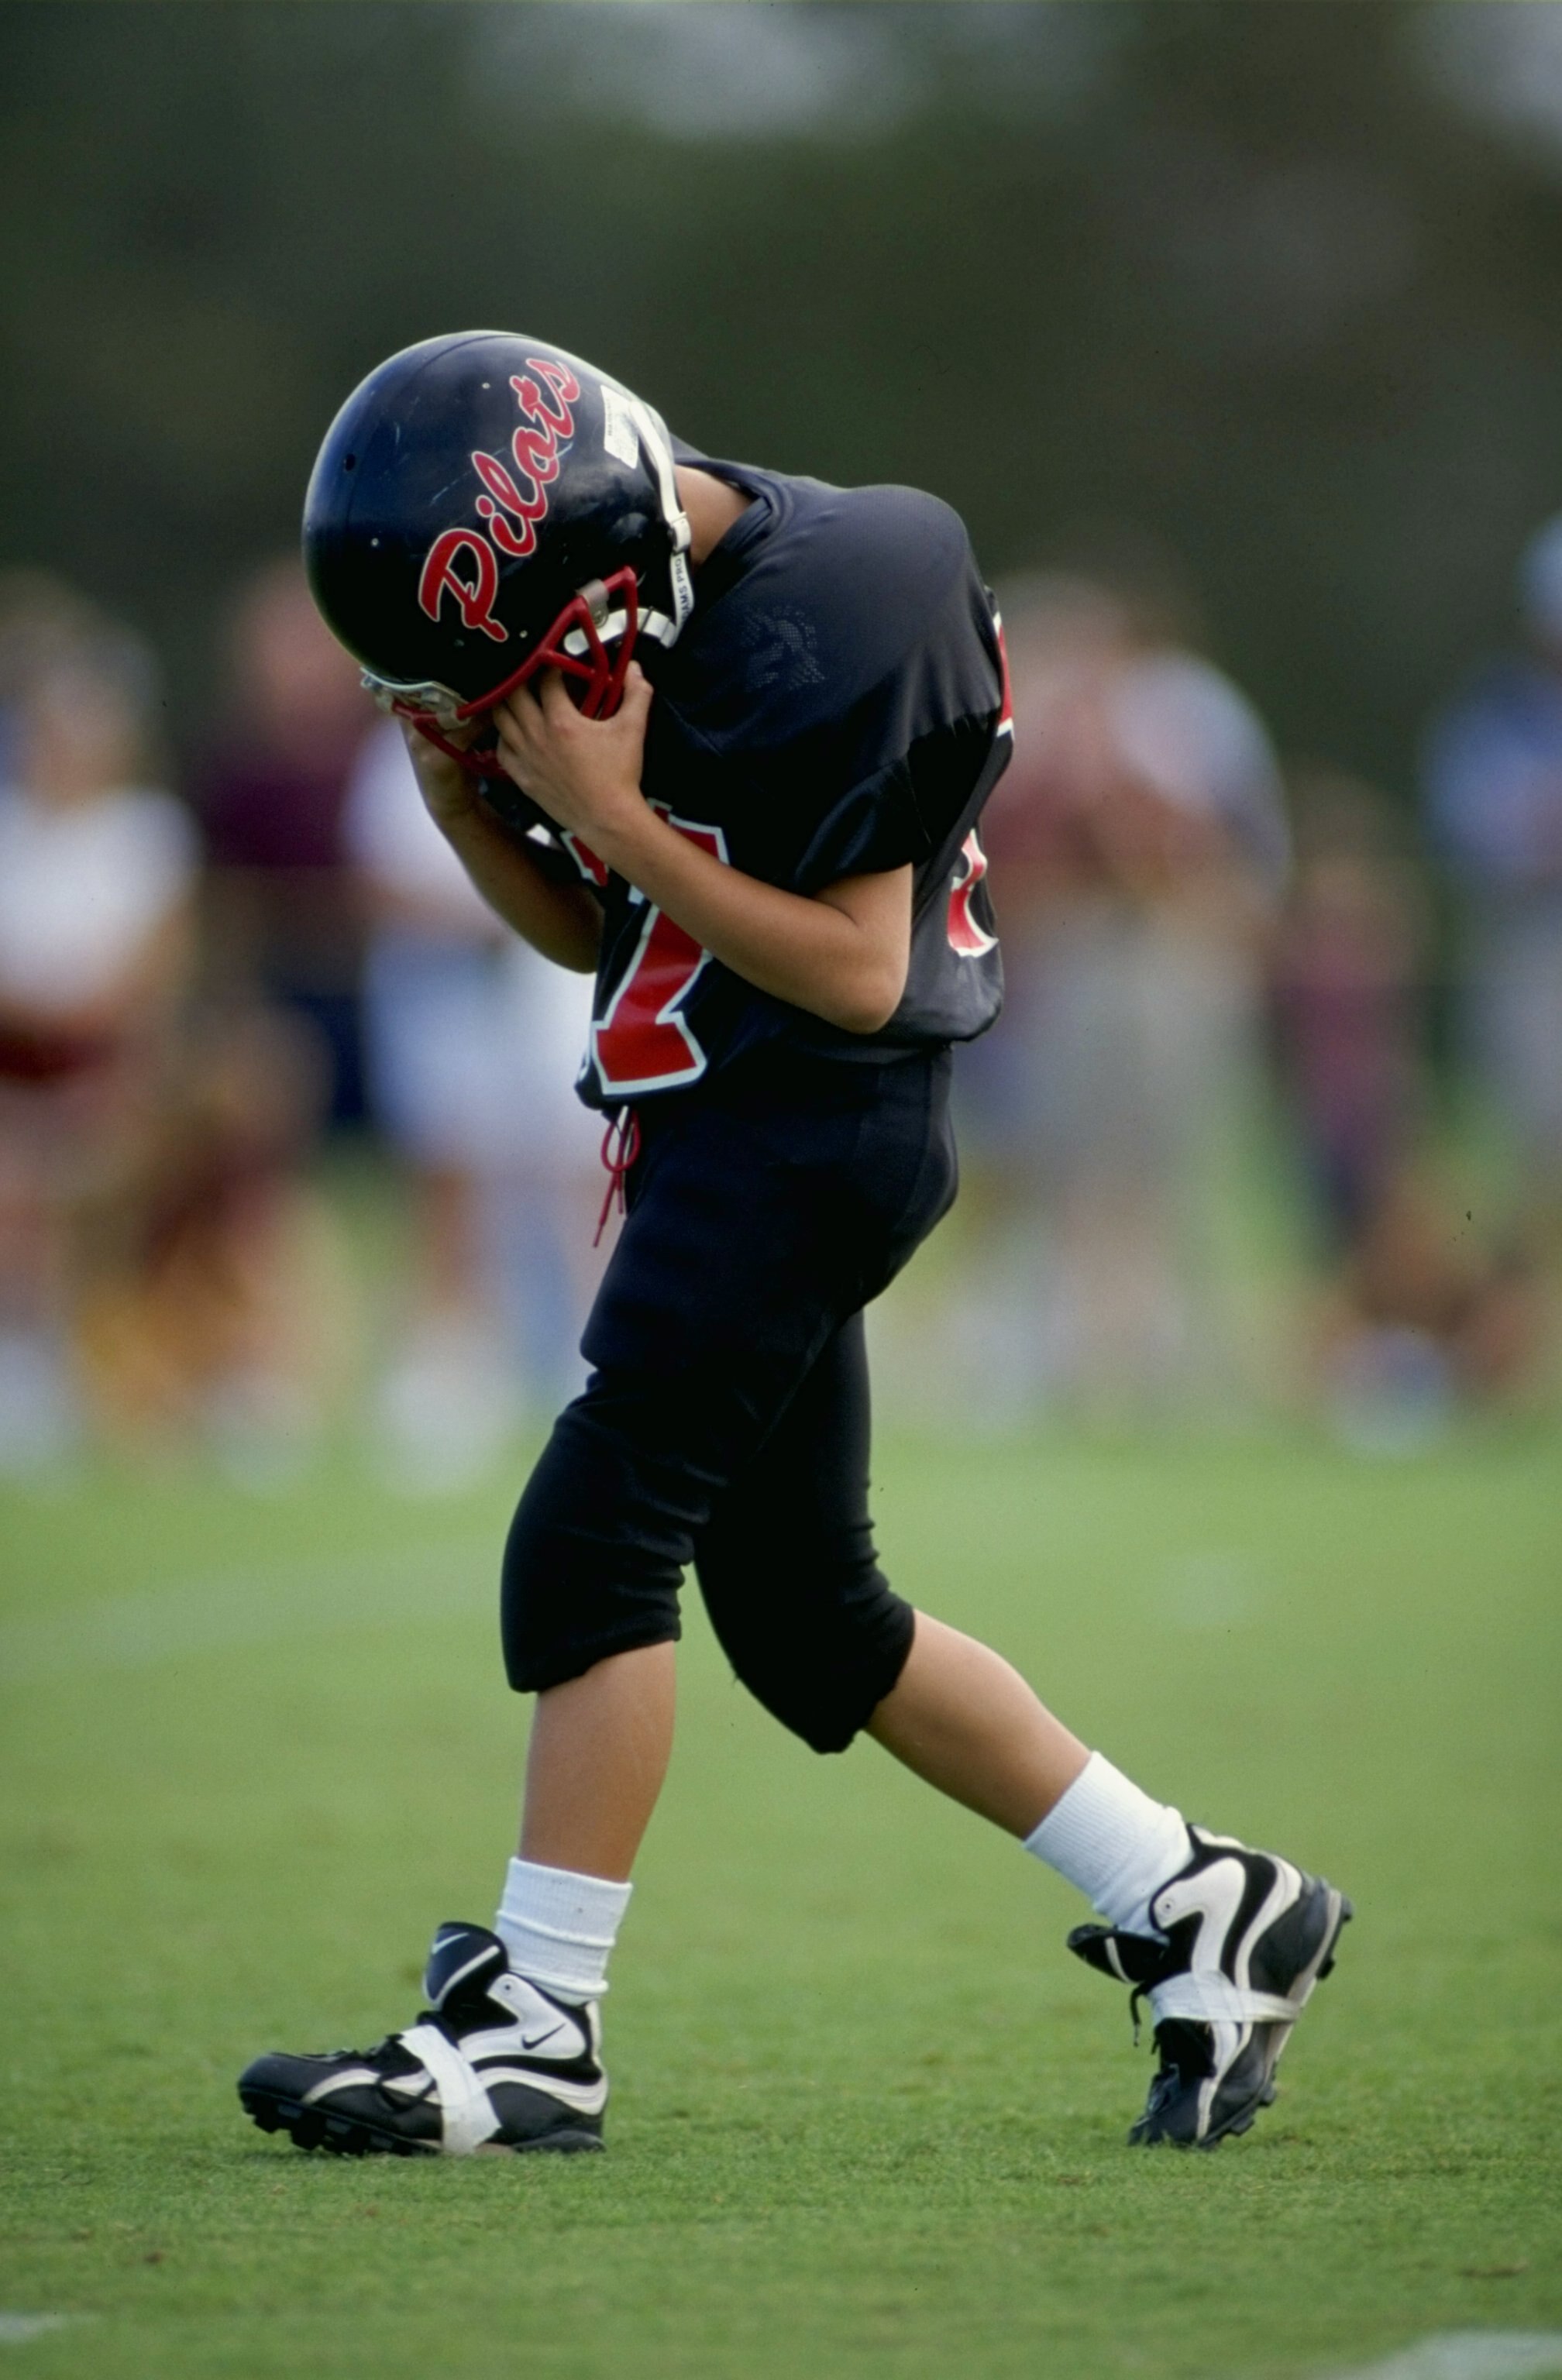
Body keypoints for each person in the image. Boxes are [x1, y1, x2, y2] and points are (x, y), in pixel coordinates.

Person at [239, 333, 1348, 2160]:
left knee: (589, 1538)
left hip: (819, 1125)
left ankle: (537, 2029)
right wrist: (468, 802)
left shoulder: (857, 588)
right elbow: (605, 937)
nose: (531, 696)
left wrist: (597, 807)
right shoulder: (636, 582)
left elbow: (849, 961)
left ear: (614, 559)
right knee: (812, 1624)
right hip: (717, 1124)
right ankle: (1204, 1900)